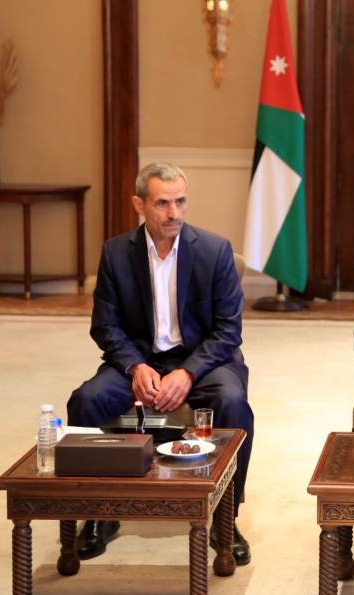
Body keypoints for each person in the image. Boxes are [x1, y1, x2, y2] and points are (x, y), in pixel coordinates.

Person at [67, 162, 254, 566]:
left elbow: (228, 330)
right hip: (140, 358)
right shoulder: (117, 252)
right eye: (162, 203)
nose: (174, 213)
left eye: (180, 202)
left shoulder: (215, 250)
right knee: (87, 400)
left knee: (233, 401)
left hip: (202, 359)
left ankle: (227, 516)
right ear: (139, 204)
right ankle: (98, 512)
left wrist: (188, 372)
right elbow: (105, 326)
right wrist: (135, 367)